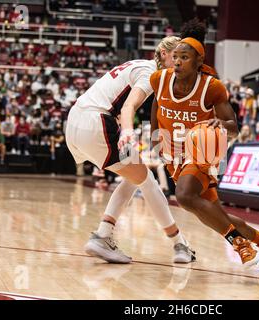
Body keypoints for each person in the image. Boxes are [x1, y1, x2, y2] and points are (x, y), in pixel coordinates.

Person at [148, 19, 259, 272]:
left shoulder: (212, 87)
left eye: (184, 57)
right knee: (212, 214)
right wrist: (155, 133)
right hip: (172, 153)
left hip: (201, 149)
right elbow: (156, 104)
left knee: (185, 196)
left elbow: (234, 126)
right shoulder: (159, 79)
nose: (177, 62)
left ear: (199, 61)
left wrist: (221, 124)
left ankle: (238, 243)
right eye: (175, 56)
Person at [66, 36, 195, 264]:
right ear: (163, 54)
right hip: (96, 121)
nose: (179, 63)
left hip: (76, 122)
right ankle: (179, 243)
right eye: (176, 56)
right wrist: (127, 132)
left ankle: (103, 235)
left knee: (134, 178)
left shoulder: (138, 66)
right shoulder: (149, 74)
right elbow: (128, 107)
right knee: (148, 181)